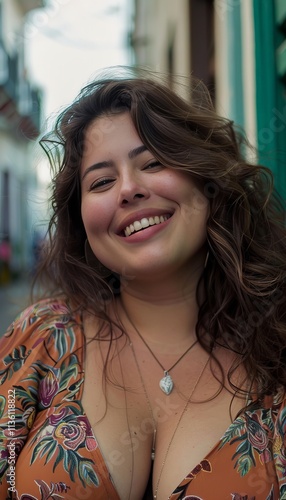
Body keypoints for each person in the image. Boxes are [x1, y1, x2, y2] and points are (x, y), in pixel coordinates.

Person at [0, 70, 286, 500]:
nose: (129, 189)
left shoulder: (277, 340)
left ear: (206, 181)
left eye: (153, 163)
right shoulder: (40, 337)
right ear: (81, 218)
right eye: (101, 181)